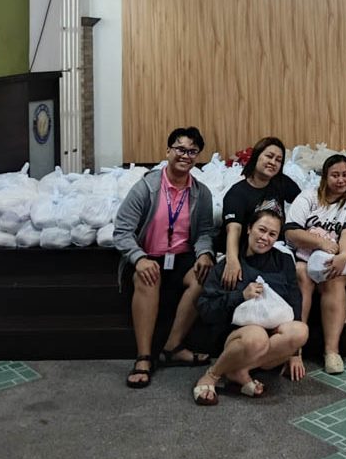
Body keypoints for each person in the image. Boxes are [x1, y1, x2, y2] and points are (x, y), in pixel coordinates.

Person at [113, 126, 215, 389]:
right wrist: (138, 258)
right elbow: (122, 231)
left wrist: (205, 253)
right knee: (148, 276)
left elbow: (205, 232)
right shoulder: (146, 188)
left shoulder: (201, 192)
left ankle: (173, 347)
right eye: (180, 149)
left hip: (181, 257)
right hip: (148, 256)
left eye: (192, 151)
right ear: (168, 150)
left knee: (205, 276)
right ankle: (144, 357)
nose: (185, 155)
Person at [192, 208, 309, 405]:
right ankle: (212, 375)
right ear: (248, 229)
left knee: (300, 331)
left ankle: (239, 371)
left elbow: (295, 300)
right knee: (256, 336)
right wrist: (241, 296)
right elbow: (205, 309)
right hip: (237, 335)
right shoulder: (229, 264)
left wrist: (295, 354)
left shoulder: (284, 261)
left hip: (273, 335)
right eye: (261, 230)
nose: (265, 238)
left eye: (272, 234)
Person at [284, 155, 346, 375]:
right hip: (302, 255)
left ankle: (332, 351)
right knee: (302, 275)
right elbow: (291, 232)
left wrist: (343, 255)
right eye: (335, 175)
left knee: (335, 280)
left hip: (330, 258)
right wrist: (320, 242)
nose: (341, 180)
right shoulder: (308, 196)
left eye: (345, 175)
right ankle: (295, 349)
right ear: (325, 178)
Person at [217, 137, 300, 290]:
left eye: (278, 160)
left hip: (275, 248)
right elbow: (234, 229)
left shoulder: (281, 183)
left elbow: (304, 203)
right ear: (256, 156)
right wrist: (232, 260)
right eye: (269, 156)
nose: (273, 162)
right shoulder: (237, 193)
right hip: (247, 250)